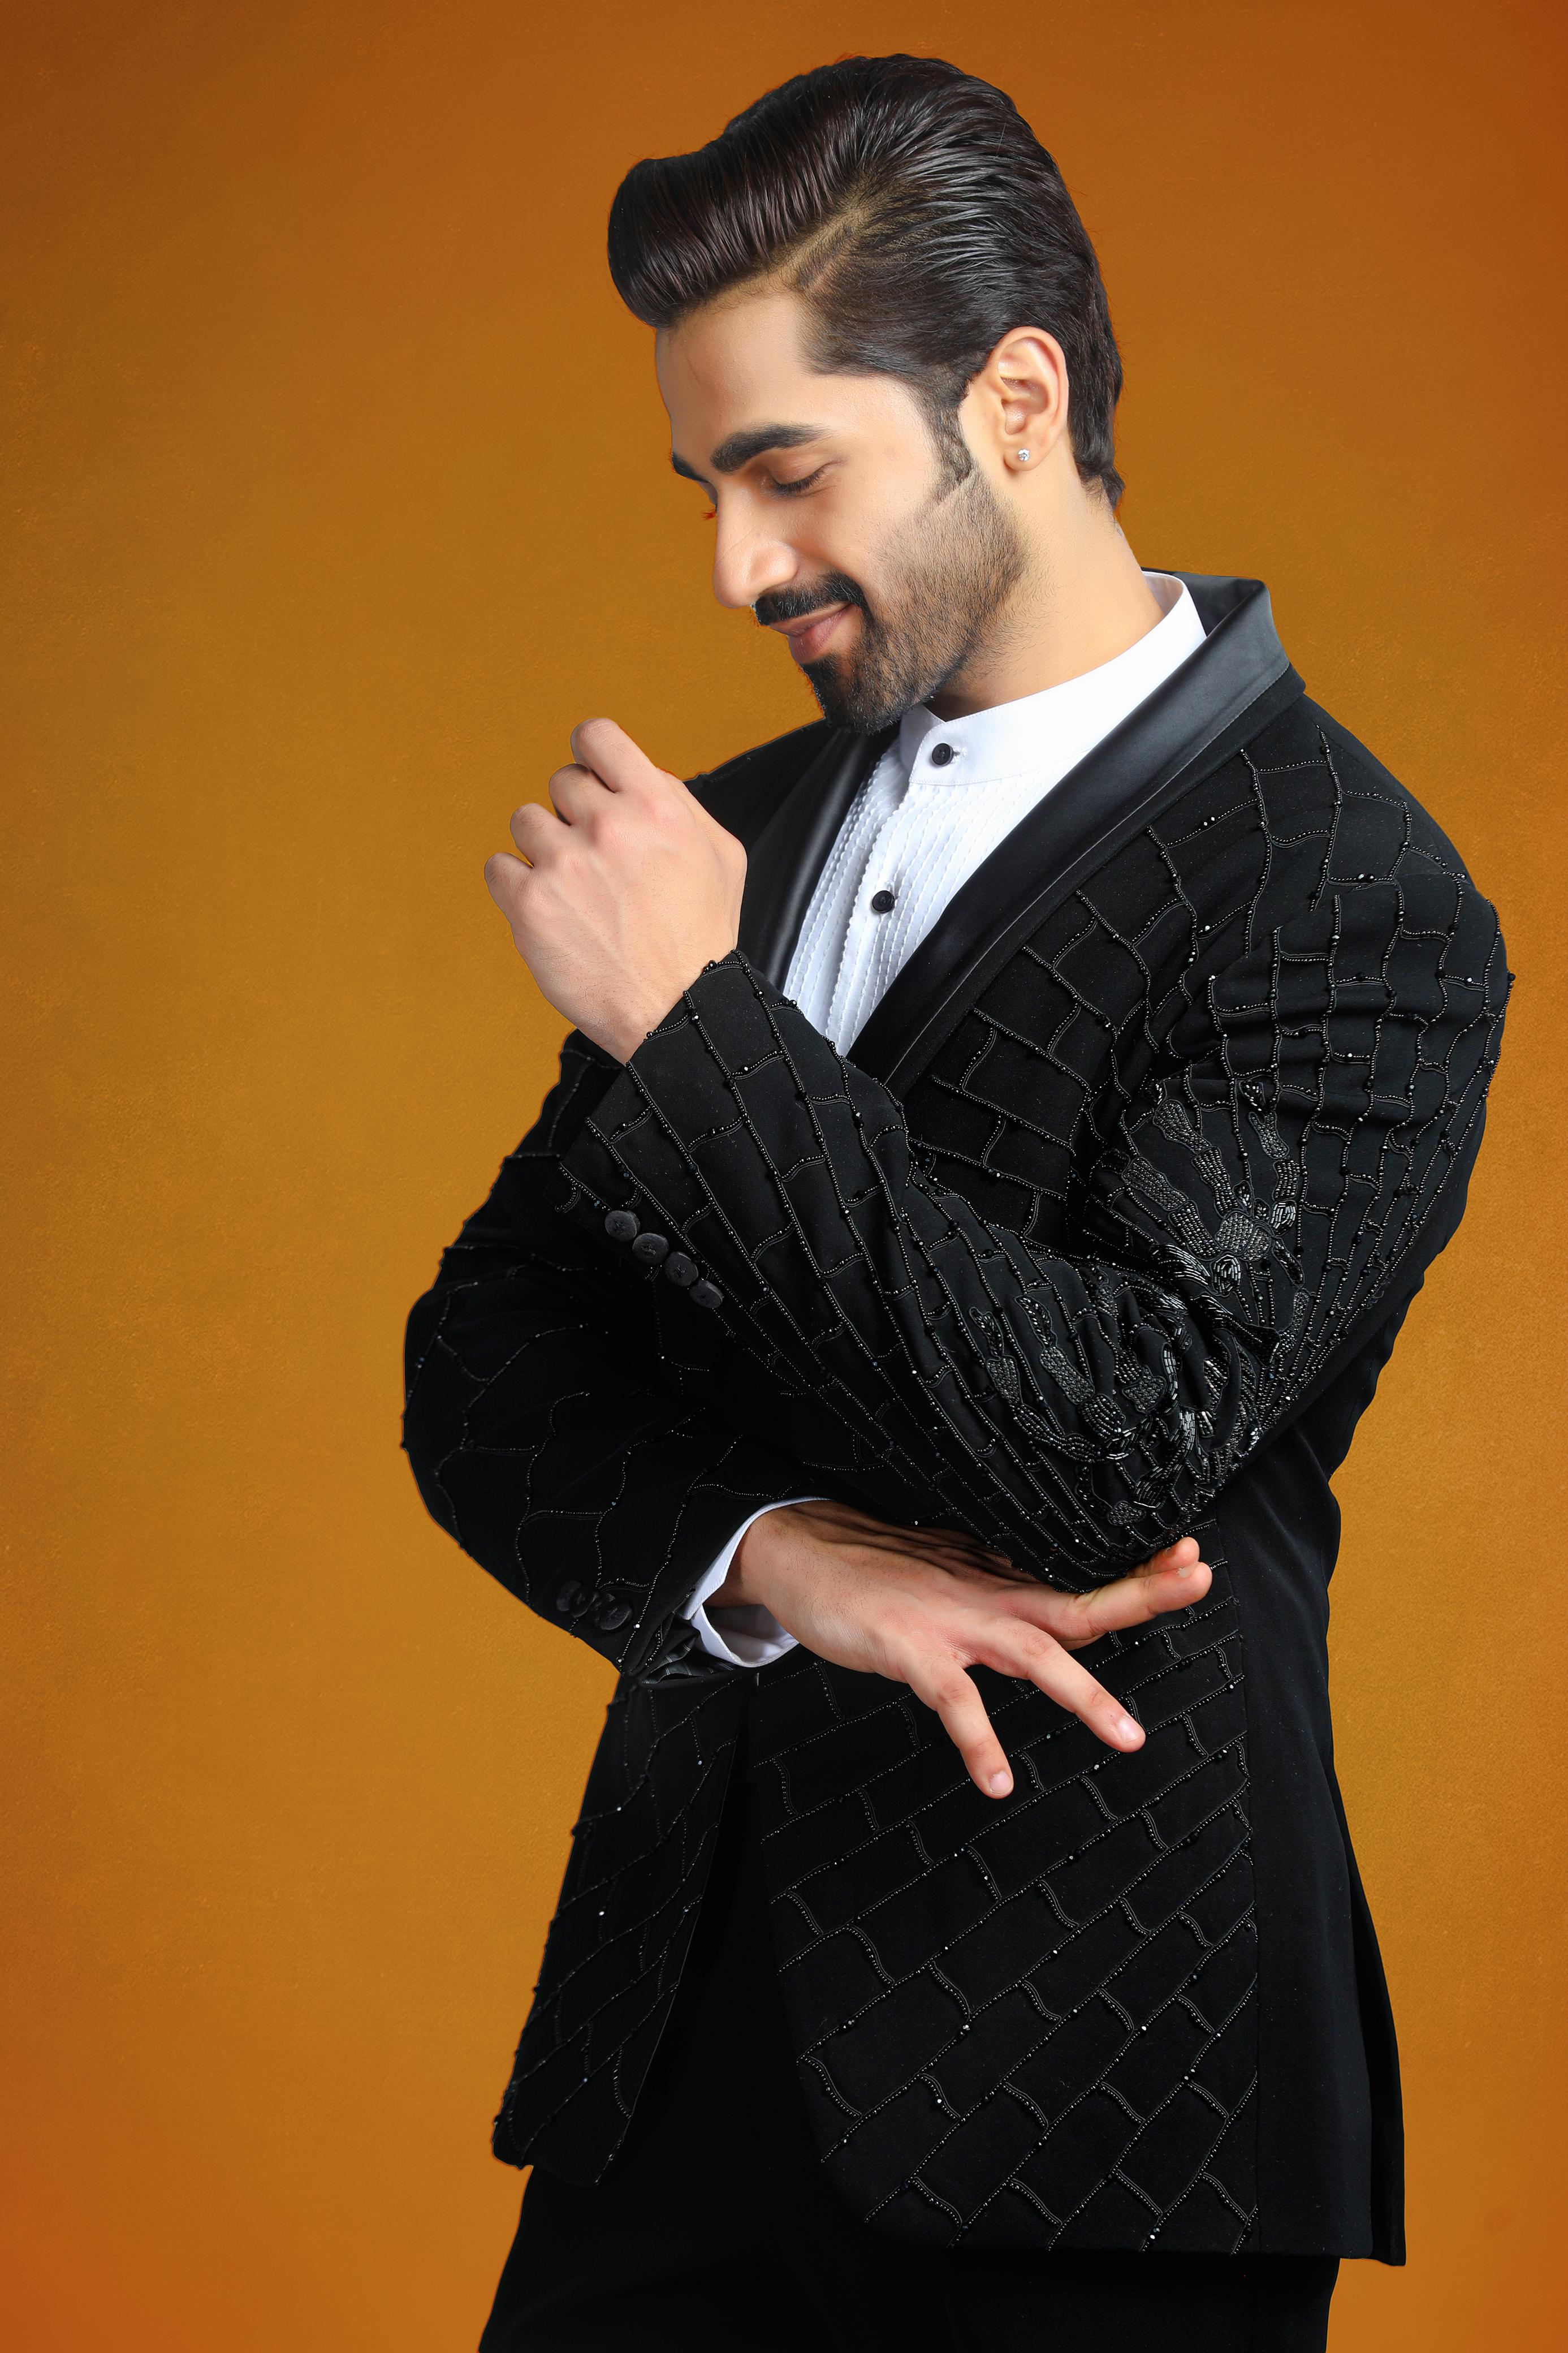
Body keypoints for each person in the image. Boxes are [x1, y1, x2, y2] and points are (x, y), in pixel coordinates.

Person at [402, 54, 1508, 2352]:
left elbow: (1103, 1443)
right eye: (707, 487)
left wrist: (696, 1029)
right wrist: (766, 1558)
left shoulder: (1348, 894)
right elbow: (484, 1363)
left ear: (1015, 401)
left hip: (1107, 2110)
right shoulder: (734, 831)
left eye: (789, 471)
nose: (737, 567)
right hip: (661, 2060)